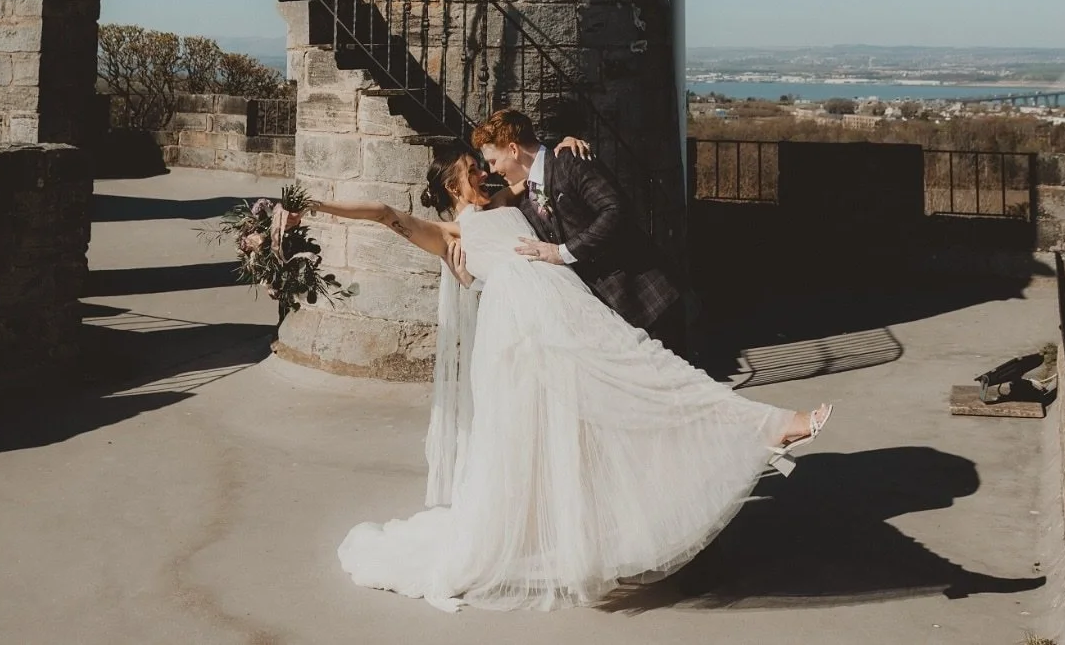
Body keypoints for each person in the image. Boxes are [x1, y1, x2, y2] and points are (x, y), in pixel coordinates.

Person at [311, 142, 832, 612]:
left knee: (641, 373)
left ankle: (764, 427)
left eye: (482, 164)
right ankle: (770, 427)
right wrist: (308, 206)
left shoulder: (510, 201)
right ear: (453, 186)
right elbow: (383, 214)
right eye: (474, 170)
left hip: (570, 311)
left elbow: (539, 172)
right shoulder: (452, 232)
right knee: (540, 435)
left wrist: (563, 142)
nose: (483, 174)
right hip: (521, 335)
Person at [473, 108, 687, 354]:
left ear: (513, 149)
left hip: (646, 302)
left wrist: (562, 252)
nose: (490, 171)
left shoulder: (570, 158)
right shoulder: (524, 197)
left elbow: (615, 211)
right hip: (607, 320)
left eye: (493, 160)